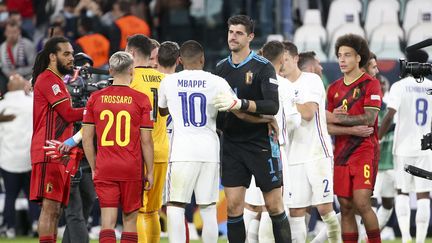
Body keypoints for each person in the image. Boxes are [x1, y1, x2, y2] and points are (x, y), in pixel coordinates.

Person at [213, 15, 291, 242]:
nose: (233, 37)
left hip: (260, 144)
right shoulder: (220, 69)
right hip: (232, 145)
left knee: (274, 205)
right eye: (231, 32)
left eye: (239, 33)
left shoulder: (263, 67)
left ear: (250, 37)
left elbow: (272, 105)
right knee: (234, 207)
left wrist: (241, 105)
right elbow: (217, 113)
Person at [159, 39, 232, 243]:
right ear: (203, 59)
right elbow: (231, 108)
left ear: (180, 60)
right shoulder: (217, 82)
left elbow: (162, 110)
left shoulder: (169, 81)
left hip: (182, 151)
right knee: (208, 208)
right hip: (209, 150)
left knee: (175, 206)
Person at [82, 51, 154, 243]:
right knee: (130, 220)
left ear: (111, 70)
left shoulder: (95, 98)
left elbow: (87, 138)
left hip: (105, 167)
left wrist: (95, 166)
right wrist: (151, 171)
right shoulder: (141, 99)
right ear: (132, 69)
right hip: (131, 167)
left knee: (107, 222)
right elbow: (146, 141)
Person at [281, 41, 341, 243]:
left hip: (317, 153)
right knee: (296, 211)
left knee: (325, 208)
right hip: (292, 156)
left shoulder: (311, 80)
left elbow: (308, 112)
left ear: (296, 58)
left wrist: (283, 102)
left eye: (286, 59)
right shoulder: (279, 84)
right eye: (279, 60)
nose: (282, 64)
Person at [326, 33, 382, 243]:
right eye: (339, 55)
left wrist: (341, 118)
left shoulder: (370, 84)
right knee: (346, 207)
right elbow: (327, 126)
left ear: (359, 58)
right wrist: (348, 126)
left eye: (347, 55)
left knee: (362, 203)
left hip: (364, 150)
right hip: (341, 153)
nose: (342, 60)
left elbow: (370, 117)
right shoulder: (333, 89)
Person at [29, 36, 84, 243]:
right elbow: (68, 114)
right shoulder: (48, 79)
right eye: (66, 54)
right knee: (50, 208)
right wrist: (95, 109)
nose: (71, 58)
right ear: (53, 56)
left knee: (56, 209)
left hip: (58, 152)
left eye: (72, 53)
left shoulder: (55, 80)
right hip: (48, 151)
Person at [378, 50, 432, 243]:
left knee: (402, 192)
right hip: (426, 149)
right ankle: (419, 240)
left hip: (403, 148)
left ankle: (406, 238)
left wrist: (377, 138)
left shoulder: (399, 86)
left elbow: (389, 114)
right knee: (423, 195)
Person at [125, 34, 168, 243]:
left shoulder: (129, 80)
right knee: (153, 211)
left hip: (139, 153)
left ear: (132, 53)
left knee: (139, 211)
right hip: (162, 150)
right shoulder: (164, 79)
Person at [0, 74, 39, 238]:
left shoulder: (2, 105)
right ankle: (36, 224)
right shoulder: (32, 103)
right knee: (32, 195)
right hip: (29, 158)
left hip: (9, 159)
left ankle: (9, 228)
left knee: (10, 195)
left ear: (8, 88)